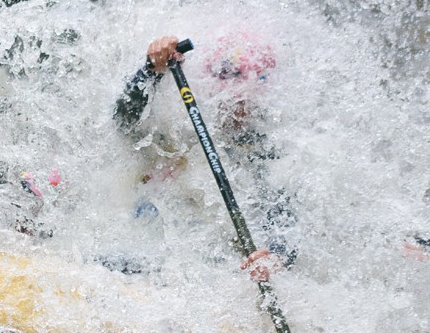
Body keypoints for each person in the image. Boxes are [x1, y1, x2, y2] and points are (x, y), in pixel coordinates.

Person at [115, 33, 297, 281]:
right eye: (228, 76)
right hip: (139, 260)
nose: (238, 94)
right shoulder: (175, 128)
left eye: (256, 79)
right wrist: (150, 71)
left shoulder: (266, 154)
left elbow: (284, 219)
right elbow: (124, 123)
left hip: (206, 273)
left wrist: (275, 257)